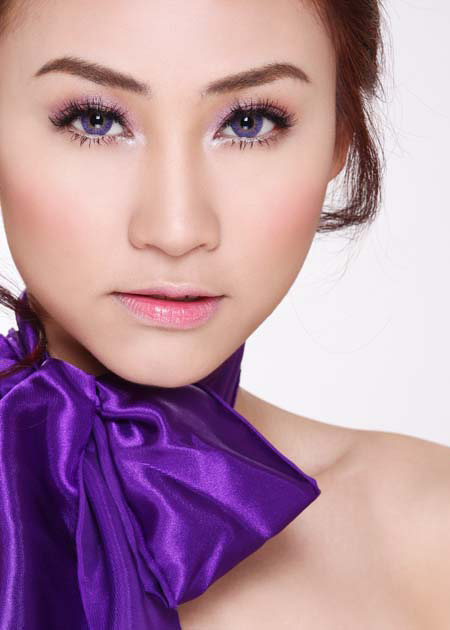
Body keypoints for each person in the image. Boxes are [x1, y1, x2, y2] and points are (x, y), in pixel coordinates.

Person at [0, 0, 448, 628]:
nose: (176, 228)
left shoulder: (429, 536)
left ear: (340, 134)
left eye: (248, 122)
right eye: (96, 120)